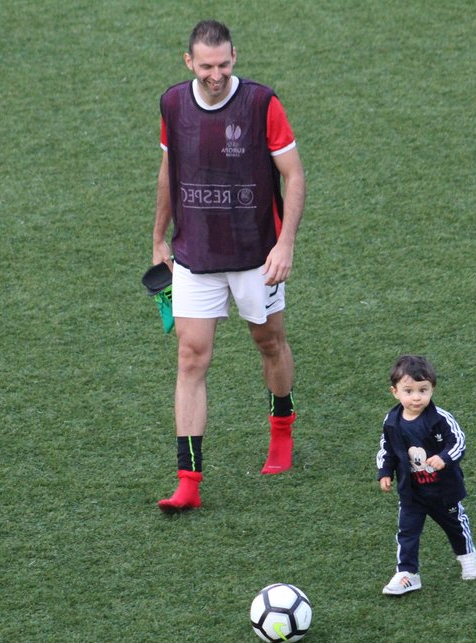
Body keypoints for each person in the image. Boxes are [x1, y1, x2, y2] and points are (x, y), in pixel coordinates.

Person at [152, 20, 305, 512]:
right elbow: (168, 172)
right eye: (205, 66)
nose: (215, 74)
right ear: (189, 62)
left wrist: (285, 245)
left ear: (234, 56)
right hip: (195, 255)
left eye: (223, 64)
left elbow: (294, 175)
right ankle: (188, 482)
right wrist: (158, 237)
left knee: (269, 341)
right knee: (190, 358)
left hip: (256, 255)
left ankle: (281, 428)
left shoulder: (261, 104)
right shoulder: (173, 104)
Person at [376, 355, 476, 594]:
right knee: (407, 532)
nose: (416, 397)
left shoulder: (440, 419)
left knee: (455, 525)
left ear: (432, 389)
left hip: (443, 491)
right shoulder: (392, 421)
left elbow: (458, 442)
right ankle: (408, 573)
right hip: (412, 492)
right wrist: (385, 472)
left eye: (423, 390)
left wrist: (444, 457)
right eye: (409, 391)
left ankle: (467, 557)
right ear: (395, 392)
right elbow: (387, 448)